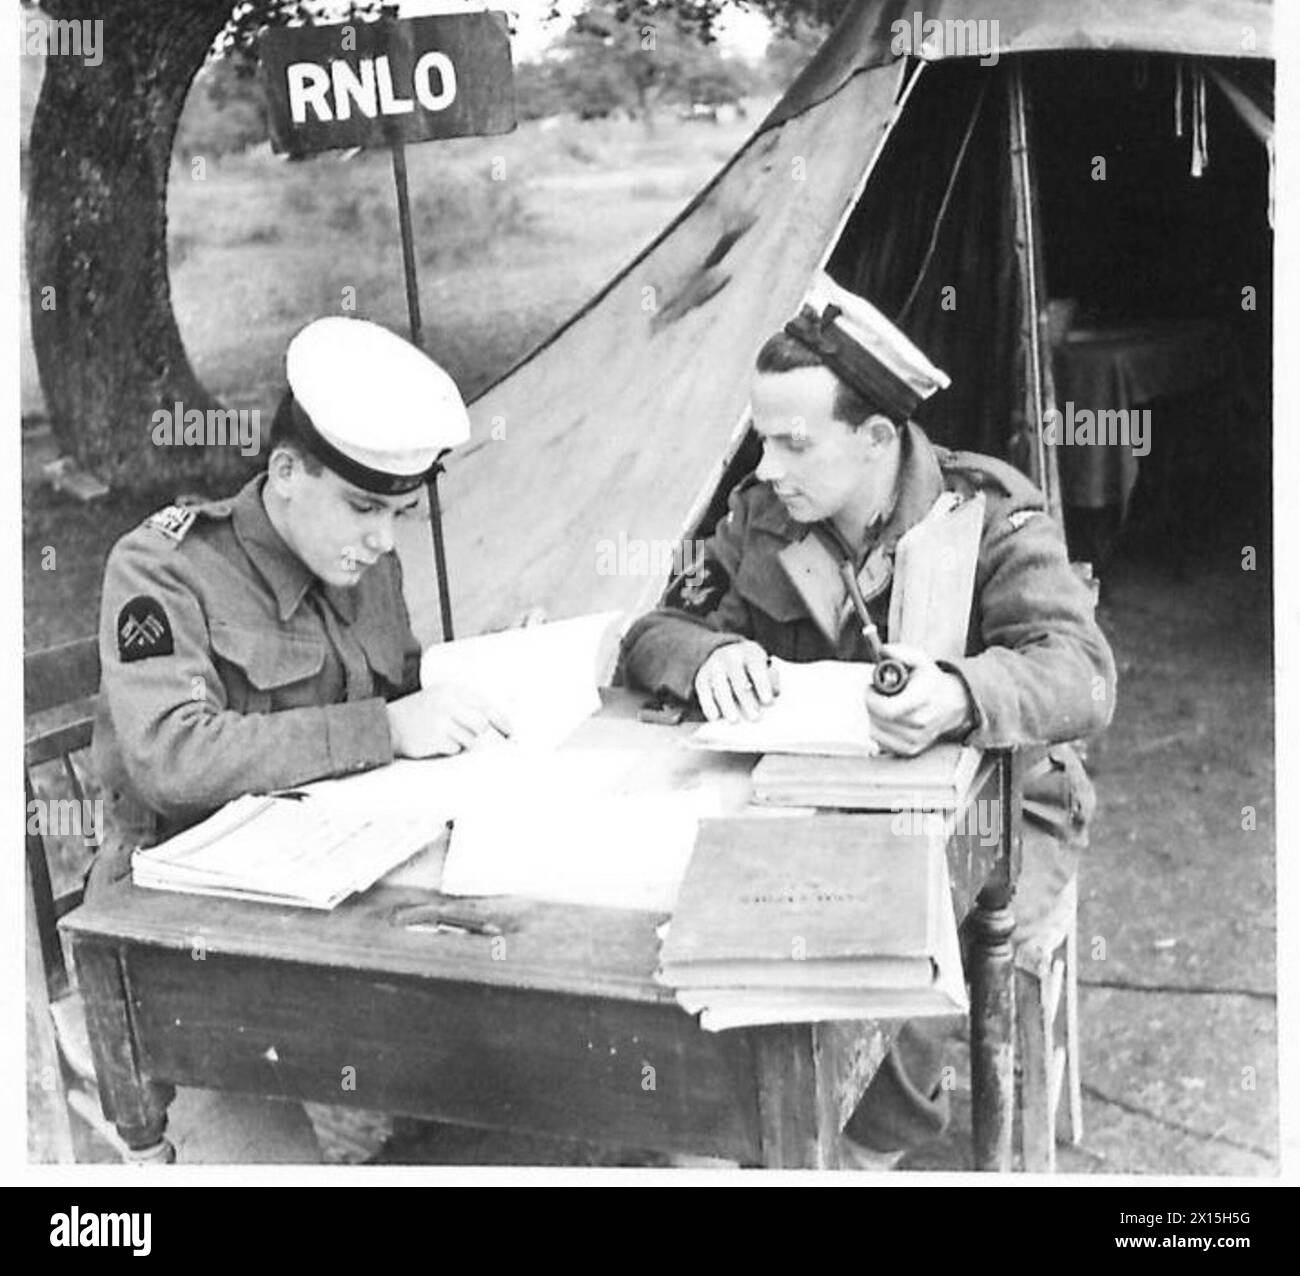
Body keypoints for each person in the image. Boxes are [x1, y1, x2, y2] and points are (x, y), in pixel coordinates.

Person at [620, 272, 1117, 1168]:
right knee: (702, 921)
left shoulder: (992, 516)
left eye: (792, 444)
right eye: (761, 440)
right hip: (814, 806)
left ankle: (859, 1146)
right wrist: (709, 656)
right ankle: (760, 1121)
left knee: (898, 938)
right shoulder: (759, 519)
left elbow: (1080, 675)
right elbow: (654, 628)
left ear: (877, 436)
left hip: (1004, 813)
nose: (765, 466)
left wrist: (963, 694)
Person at [88, 315, 508, 1161]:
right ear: (285, 472)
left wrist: (457, 703)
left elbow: (398, 682)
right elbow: (174, 756)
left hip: (350, 893)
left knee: (508, 1065)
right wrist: (382, 729)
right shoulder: (163, 569)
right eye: (362, 507)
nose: (384, 539)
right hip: (194, 931)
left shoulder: (365, 563)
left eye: (398, 512)